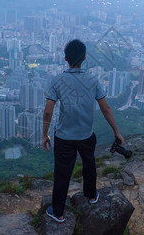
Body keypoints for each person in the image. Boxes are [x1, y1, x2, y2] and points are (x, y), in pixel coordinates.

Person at [42, 39, 125, 223]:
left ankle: (58, 212)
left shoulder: (57, 81)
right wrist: (116, 132)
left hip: (64, 137)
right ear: (85, 58)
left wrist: (44, 134)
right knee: (89, 164)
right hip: (86, 134)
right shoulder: (93, 79)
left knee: (62, 173)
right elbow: (106, 109)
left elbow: (48, 110)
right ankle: (91, 195)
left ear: (65, 58)